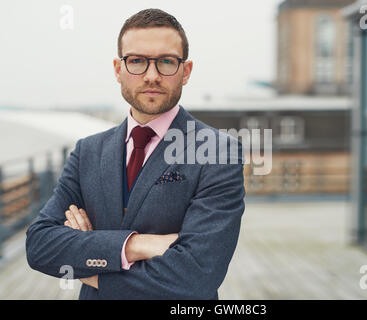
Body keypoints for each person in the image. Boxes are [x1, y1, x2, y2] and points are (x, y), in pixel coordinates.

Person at [25, 8, 245, 300]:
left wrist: (88, 262)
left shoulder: (218, 151)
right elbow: (40, 245)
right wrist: (134, 246)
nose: (151, 76)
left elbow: (196, 275)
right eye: (137, 61)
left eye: (166, 62)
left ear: (186, 71)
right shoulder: (87, 152)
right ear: (118, 69)